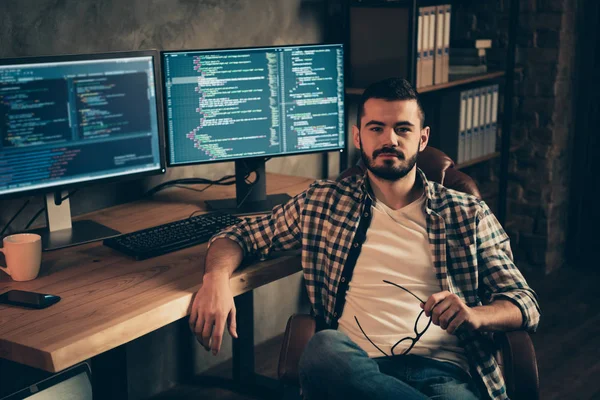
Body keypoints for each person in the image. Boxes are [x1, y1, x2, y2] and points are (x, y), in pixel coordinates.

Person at [188, 77, 540, 400]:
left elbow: (524, 302)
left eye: (403, 129)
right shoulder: (324, 202)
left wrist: (476, 315)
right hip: (351, 369)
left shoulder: (467, 214)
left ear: (423, 138)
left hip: (444, 375)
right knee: (323, 349)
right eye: (377, 128)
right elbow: (239, 235)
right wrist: (215, 279)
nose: (389, 140)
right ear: (359, 137)